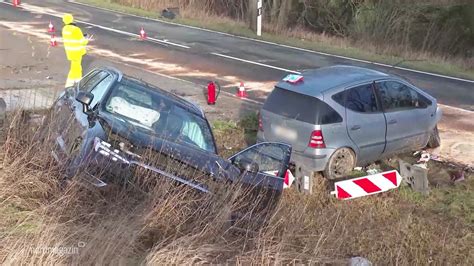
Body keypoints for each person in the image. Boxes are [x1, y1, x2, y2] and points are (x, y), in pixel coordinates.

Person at [62, 14, 89, 88]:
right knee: (76, 69)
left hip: (70, 52)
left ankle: (73, 84)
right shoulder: (76, 29)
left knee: (75, 68)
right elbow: (82, 41)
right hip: (77, 52)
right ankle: (75, 85)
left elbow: (72, 38)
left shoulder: (65, 29)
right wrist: (86, 39)